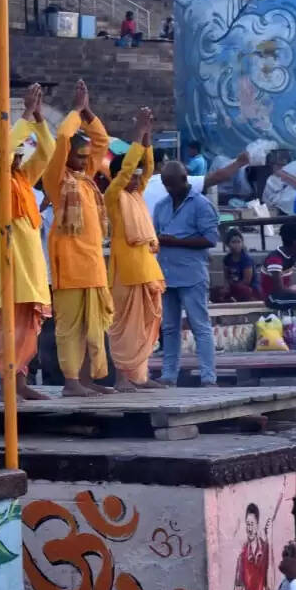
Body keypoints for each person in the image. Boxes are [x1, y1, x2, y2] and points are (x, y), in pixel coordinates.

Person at [0, 84, 54, 400]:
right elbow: (5, 154)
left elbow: (48, 153)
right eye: (14, 153)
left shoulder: (24, 179)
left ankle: (21, 384)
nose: (17, 159)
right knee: (7, 324)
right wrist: (23, 115)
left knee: (27, 325)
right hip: (8, 262)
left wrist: (38, 119)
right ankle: (6, 386)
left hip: (31, 266)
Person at [43, 80, 113, 398]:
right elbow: (61, 137)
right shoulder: (57, 182)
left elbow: (101, 141)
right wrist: (73, 112)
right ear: (68, 156)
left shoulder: (86, 181)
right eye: (79, 156)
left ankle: (86, 380)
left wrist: (88, 113)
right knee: (69, 328)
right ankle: (71, 382)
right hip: (70, 268)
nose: (86, 161)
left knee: (93, 328)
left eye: (87, 157)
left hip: (94, 265)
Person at [104, 109, 165, 392]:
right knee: (123, 327)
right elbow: (127, 168)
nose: (136, 178)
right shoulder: (113, 196)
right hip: (126, 272)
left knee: (145, 327)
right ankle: (121, 378)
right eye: (130, 175)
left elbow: (147, 170)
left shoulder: (136, 195)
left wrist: (147, 140)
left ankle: (140, 376)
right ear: (118, 177)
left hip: (148, 268)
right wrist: (136, 136)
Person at [155, 159, 221, 387]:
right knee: (170, 327)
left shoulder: (202, 204)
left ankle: (208, 377)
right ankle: (169, 375)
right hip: (166, 274)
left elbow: (210, 239)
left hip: (192, 275)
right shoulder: (161, 206)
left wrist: (177, 242)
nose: (169, 189)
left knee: (200, 325)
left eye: (172, 184)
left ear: (184, 180)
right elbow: (154, 236)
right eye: (166, 184)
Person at [231, 503, 272, 590]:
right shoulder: (242, 557)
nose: (249, 528)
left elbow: (271, 587)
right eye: (247, 524)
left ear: (258, 525)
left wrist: (270, 540)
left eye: (252, 524)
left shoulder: (265, 549)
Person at [218, 228, 258, 302]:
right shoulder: (227, 259)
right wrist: (226, 287)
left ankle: (232, 298)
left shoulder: (246, 259)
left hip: (248, 289)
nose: (237, 245)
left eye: (239, 242)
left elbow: (247, 281)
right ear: (228, 244)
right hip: (233, 287)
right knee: (215, 291)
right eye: (233, 242)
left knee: (243, 290)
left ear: (242, 243)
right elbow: (226, 278)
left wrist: (232, 287)